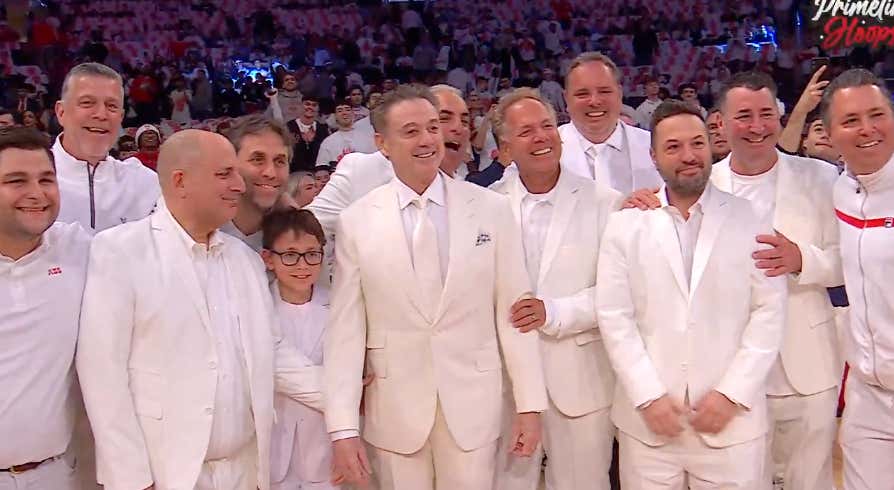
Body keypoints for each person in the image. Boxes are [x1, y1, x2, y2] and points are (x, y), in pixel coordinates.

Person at [626, 73, 844, 490]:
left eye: (766, 114)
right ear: (721, 124)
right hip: (723, 377)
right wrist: (636, 202)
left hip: (807, 364)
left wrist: (802, 259)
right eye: (744, 116)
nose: (757, 126)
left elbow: (848, 261)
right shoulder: (698, 182)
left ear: (780, 117)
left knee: (810, 479)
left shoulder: (821, 177)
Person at [324, 85, 547, 490]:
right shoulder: (356, 221)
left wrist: (530, 405)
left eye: (432, 127)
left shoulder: (491, 209)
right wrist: (342, 427)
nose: (427, 139)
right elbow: (345, 331)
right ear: (382, 144)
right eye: (411, 131)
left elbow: (514, 314)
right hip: (394, 412)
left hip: (474, 406)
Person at [76, 129, 325, 490]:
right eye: (224, 174)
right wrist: (132, 479)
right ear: (180, 181)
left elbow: (271, 351)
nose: (239, 185)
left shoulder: (243, 259)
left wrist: (343, 393)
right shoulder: (121, 251)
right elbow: (102, 373)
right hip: (165, 474)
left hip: (246, 469)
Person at [596, 100, 787, 489]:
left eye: (697, 143)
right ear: (653, 156)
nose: (689, 156)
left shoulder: (750, 217)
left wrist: (732, 393)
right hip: (648, 424)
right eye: (673, 146)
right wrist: (647, 395)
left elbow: (769, 311)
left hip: (731, 423)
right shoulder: (625, 225)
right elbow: (615, 317)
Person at [489, 88, 621, 490]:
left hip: (581, 384)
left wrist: (555, 312)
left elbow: (620, 294)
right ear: (505, 150)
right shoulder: (484, 206)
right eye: (526, 131)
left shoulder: (605, 203)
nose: (541, 137)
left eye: (547, 126)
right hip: (505, 388)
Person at [0, 127, 91, 489]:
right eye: (16, 181)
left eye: (46, 180)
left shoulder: (80, 248)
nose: (36, 193)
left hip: (54, 474)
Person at [822, 68, 894, 490]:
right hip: (868, 393)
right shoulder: (840, 190)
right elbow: (849, 263)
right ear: (830, 135)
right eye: (851, 120)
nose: (867, 129)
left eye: (877, 114)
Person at [261, 209, 339, 490]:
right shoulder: (257, 306)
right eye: (291, 255)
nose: (302, 265)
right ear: (268, 258)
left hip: (325, 453)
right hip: (270, 454)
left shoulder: (339, 305)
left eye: (312, 254)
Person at [52, 62, 159, 233]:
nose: (101, 115)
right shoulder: (27, 178)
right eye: (87, 103)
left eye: (111, 106)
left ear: (121, 117)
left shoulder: (144, 183)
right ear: (61, 112)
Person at [559, 52, 662, 194]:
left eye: (604, 91)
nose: (594, 101)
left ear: (619, 94)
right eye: (582, 94)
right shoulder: (546, 151)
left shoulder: (654, 145)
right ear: (566, 98)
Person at [220, 115, 293, 251]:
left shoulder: (297, 238)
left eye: (280, 161)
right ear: (230, 165)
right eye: (257, 160)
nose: (271, 173)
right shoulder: (199, 231)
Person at [316, 101, 376, 167]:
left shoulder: (367, 137)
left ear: (353, 114)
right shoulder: (328, 142)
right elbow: (322, 166)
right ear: (335, 116)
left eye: (348, 110)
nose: (344, 113)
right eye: (340, 111)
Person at [288, 96, 330, 172]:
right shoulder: (289, 127)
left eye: (314, 105)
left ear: (318, 108)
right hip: (294, 173)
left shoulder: (323, 129)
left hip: (317, 173)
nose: (310, 107)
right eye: (307, 104)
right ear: (300, 106)